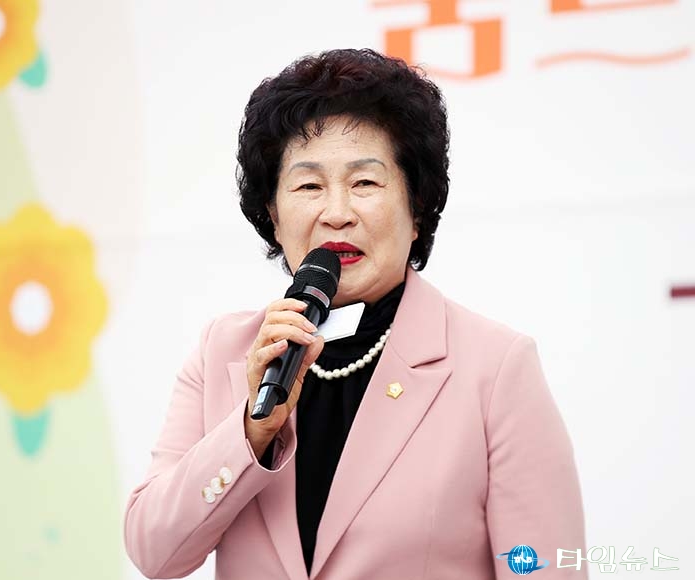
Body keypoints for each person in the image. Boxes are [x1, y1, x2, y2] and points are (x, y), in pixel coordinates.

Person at [124, 48, 588, 579]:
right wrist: (250, 431)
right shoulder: (223, 352)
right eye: (309, 186)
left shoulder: (494, 367)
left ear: (417, 207)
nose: (337, 213)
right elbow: (154, 552)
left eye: (365, 183)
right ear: (273, 215)